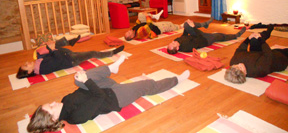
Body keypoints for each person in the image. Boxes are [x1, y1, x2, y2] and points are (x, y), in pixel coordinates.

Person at [26, 55, 190, 132]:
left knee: (77, 80)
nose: (54, 103)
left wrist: (81, 79)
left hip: (103, 86)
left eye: (50, 103)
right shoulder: (75, 117)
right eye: (51, 107)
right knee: (147, 85)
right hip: (115, 97)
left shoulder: (64, 101)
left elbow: (84, 90)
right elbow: (101, 97)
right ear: (54, 119)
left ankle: (111, 68)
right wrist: (87, 82)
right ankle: (176, 80)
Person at [16, 37, 125, 79]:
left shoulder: (38, 63)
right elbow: (57, 60)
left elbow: (51, 55)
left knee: (55, 45)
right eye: (26, 65)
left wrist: (49, 48)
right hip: (70, 60)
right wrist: (51, 49)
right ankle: (112, 53)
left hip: (66, 55)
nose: (27, 62)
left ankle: (69, 42)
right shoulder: (42, 68)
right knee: (92, 53)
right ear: (30, 71)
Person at [224, 25, 288, 84]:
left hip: (258, 54)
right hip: (278, 58)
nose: (239, 64)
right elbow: (268, 54)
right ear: (244, 74)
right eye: (240, 68)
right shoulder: (258, 69)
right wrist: (261, 40)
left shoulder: (233, 63)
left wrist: (248, 39)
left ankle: (268, 30)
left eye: (236, 66)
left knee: (254, 39)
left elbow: (240, 50)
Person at [167, 19, 246, 54]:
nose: (173, 41)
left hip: (195, 35)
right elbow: (199, 37)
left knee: (186, 25)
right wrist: (193, 27)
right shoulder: (187, 48)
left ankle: (204, 24)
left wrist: (188, 25)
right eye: (173, 44)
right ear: (177, 48)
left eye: (172, 42)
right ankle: (236, 35)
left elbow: (184, 35)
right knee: (219, 36)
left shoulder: (176, 41)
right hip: (204, 39)